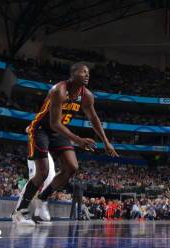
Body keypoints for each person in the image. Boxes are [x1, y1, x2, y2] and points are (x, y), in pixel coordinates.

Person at [12, 62, 118, 225]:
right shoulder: (59, 90)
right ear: (73, 74)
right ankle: (19, 212)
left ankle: (42, 199)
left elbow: (94, 119)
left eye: (88, 72)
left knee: (72, 167)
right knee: (43, 172)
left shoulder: (87, 95)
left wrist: (106, 142)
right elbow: (54, 123)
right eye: (83, 72)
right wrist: (78, 140)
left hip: (59, 131)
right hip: (40, 129)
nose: (87, 75)